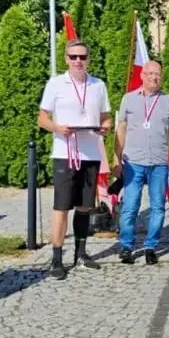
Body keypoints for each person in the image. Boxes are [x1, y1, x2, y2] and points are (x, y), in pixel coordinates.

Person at [38, 40, 112, 280]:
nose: (78, 61)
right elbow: (42, 118)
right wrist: (58, 128)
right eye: (73, 57)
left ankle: (81, 254)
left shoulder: (98, 85)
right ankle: (57, 258)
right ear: (66, 59)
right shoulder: (55, 83)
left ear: (88, 59)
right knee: (61, 207)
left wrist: (105, 127)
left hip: (91, 153)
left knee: (85, 206)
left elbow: (106, 117)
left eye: (82, 57)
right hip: (65, 153)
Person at [114, 61, 169, 266]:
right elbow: (121, 129)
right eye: (150, 73)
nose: (154, 77)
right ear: (142, 75)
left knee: (158, 206)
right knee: (130, 206)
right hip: (133, 161)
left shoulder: (168, 101)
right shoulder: (128, 99)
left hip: (159, 162)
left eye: (157, 74)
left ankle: (151, 246)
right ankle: (126, 246)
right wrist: (116, 158)